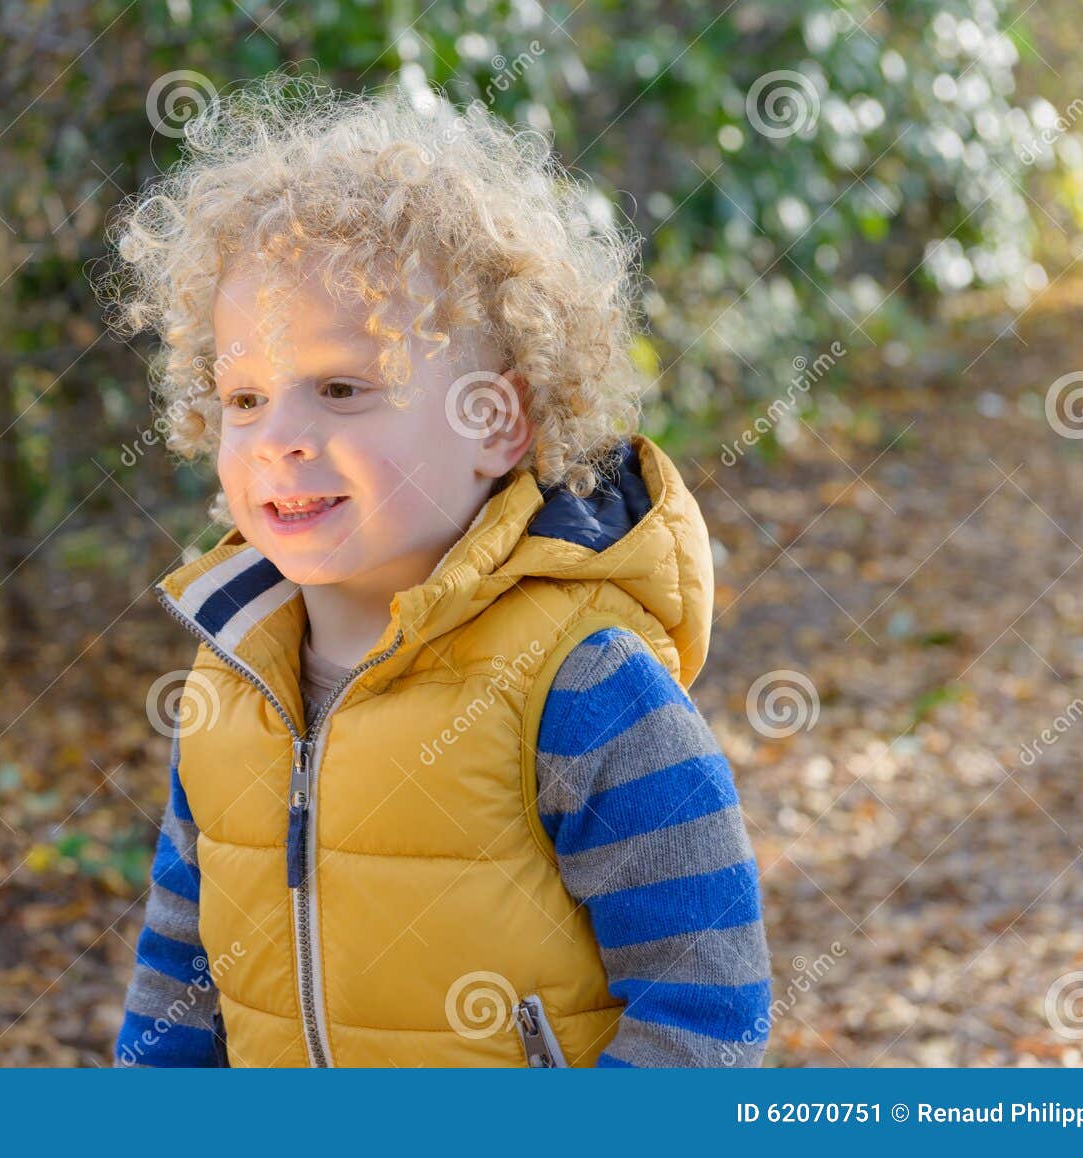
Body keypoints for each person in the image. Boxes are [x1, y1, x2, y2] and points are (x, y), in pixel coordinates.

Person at [99, 73, 771, 1067]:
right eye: (243, 398)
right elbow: (176, 992)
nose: (278, 438)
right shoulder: (229, 683)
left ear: (491, 421)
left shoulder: (581, 685)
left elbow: (705, 999)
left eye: (340, 387)